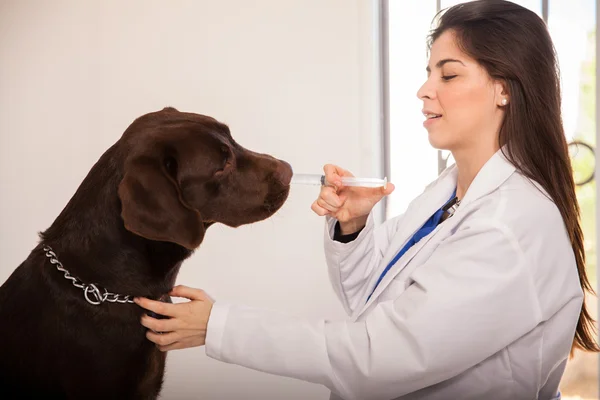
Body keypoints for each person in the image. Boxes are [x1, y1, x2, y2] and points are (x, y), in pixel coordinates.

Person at [133, 1, 600, 398]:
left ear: (504, 88)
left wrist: (220, 327)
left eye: (449, 74)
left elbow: (378, 356)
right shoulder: (449, 190)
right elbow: (372, 303)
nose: (424, 90)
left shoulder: (511, 225)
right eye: (428, 72)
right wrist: (353, 229)